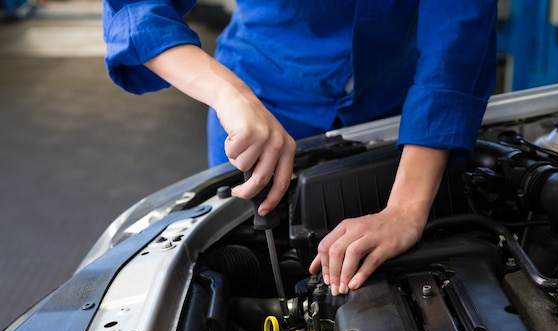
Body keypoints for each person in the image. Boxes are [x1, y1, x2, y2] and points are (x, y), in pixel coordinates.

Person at [102, 1, 498, 296]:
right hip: (261, 105)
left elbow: (458, 30)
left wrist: (406, 211)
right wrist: (229, 94)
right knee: (251, 269)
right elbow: (136, 8)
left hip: (401, 115)